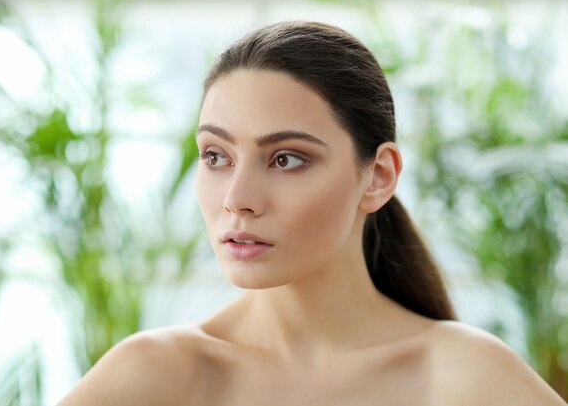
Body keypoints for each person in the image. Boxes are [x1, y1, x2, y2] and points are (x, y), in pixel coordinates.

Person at [57, 20, 567, 405]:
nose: (237, 198)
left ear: (379, 176)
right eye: (217, 157)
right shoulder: (153, 376)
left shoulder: (466, 378)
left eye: (287, 159)